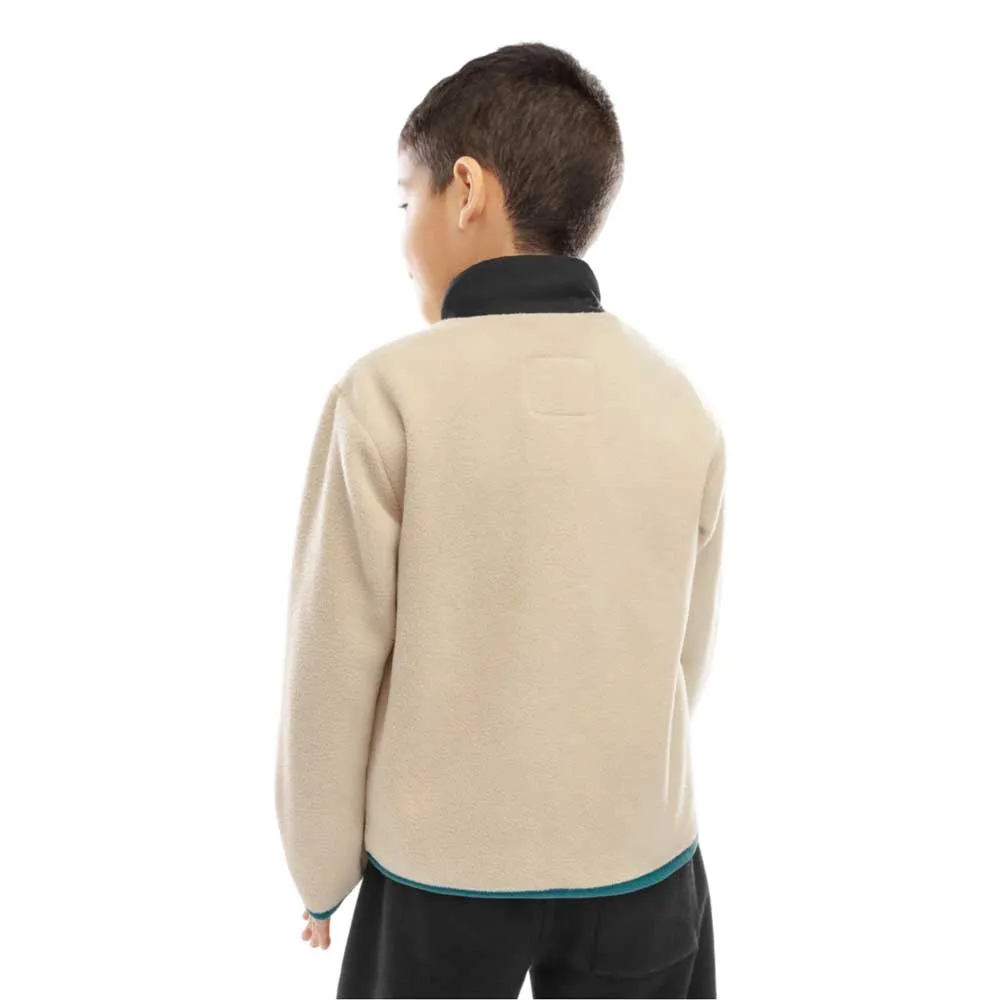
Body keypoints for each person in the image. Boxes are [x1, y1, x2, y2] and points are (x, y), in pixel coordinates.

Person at [274, 41, 725, 999]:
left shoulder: (388, 394)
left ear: (467, 190)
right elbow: (681, 656)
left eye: (407, 200)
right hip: (643, 861)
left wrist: (321, 873)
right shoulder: (676, 399)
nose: (403, 237)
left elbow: (332, 668)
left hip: (443, 873)